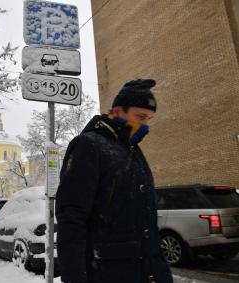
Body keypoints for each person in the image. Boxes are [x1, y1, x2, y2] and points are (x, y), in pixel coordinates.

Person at [56, 79, 173, 283]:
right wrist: (75, 277)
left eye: (149, 119)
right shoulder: (88, 146)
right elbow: (72, 217)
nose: (145, 125)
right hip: (108, 272)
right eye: (140, 117)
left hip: (148, 271)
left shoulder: (133, 150)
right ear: (118, 112)